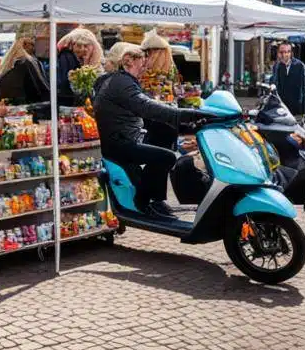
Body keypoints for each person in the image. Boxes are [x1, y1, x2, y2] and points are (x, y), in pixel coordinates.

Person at [94, 42, 203, 217]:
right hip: (120, 144)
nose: (144, 66)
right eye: (141, 62)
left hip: (123, 137)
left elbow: (143, 109)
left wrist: (180, 121)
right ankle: (146, 201)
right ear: (128, 61)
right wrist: (188, 114)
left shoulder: (114, 80)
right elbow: (146, 107)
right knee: (166, 158)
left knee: (165, 128)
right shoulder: (121, 82)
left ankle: (154, 195)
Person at [0, 36, 50, 105]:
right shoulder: (26, 61)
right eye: (32, 45)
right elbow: (36, 86)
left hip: (3, 100)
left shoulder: (11, 60)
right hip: (20, 102)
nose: (34, 48)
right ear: (25, 45)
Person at [55, 27, 102, 108]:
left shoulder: (92, 58)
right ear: (72, 46)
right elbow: (67, 84)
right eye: (78, 46)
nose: (82, 49)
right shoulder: (67, 57)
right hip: (70, 102)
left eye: (86, 46)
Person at [272, 42, 305, 118]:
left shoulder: (300, 65)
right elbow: (275, 83)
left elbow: (304, 87)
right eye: (281, 52)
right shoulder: (277, 66)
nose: (284, 55)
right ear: (278, 53)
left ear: (291, 53)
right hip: (281, 107)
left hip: (296, 108)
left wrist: (302, 106)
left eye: (287, 52)